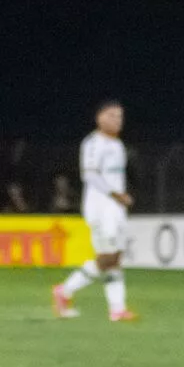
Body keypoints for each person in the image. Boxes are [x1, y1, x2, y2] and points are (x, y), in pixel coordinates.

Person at [52, 101, 138, 322]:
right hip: (100, 208)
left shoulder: (118, 145)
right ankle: (65, 290)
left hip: (115, 208)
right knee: (107, 257)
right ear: (99, 118)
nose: (117, 120)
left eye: (120, 116)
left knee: (115, 257)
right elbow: (89, 175)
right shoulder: (93, 143)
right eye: (112, 116)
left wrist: (120, 198)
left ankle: (117, 310)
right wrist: (116, 195)